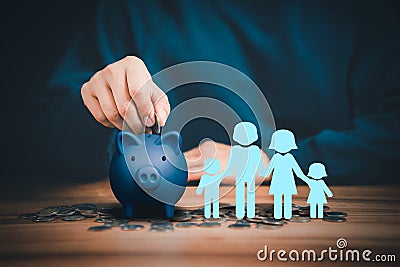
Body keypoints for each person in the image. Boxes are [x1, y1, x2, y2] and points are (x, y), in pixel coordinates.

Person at [38, 1, 399, 184]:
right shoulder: (134, 11)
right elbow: (46, 136)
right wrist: (101, 109)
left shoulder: (357, 15)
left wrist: (271, 163)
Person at [265, 129, 307, 219]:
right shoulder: (276, 157)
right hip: (277, 181)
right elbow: (268, 170)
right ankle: (277, 214)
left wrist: (306, 179)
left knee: (287, 198)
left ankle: (287, 215)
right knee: (278, 198)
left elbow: (298, 171)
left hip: (288, 181)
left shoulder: (289, 157)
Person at [223, 122, 261, 219]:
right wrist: (229, 172)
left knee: (250, 194)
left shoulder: (255, 150)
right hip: (240, 175)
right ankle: (240, 212)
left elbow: (258, 163)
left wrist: (263, 171)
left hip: (250, 175)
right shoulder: (235, 149)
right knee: (241, 193)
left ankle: (250, 212)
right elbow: (232, 163)